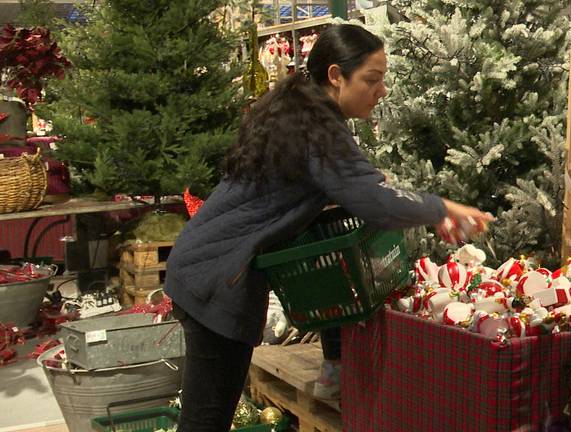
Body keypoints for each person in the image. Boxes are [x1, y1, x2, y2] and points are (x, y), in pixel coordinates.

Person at [164, 24, 494, 431]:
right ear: (336, 76)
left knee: (208, 416)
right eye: (371, 80)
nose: (382, 91)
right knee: (206, 419)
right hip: (215, 279)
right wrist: (445, 207)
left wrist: (425, 211)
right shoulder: (316, 129)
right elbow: (374, 201)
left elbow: (342, 190)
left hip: (204, 268)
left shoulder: (299, 110)